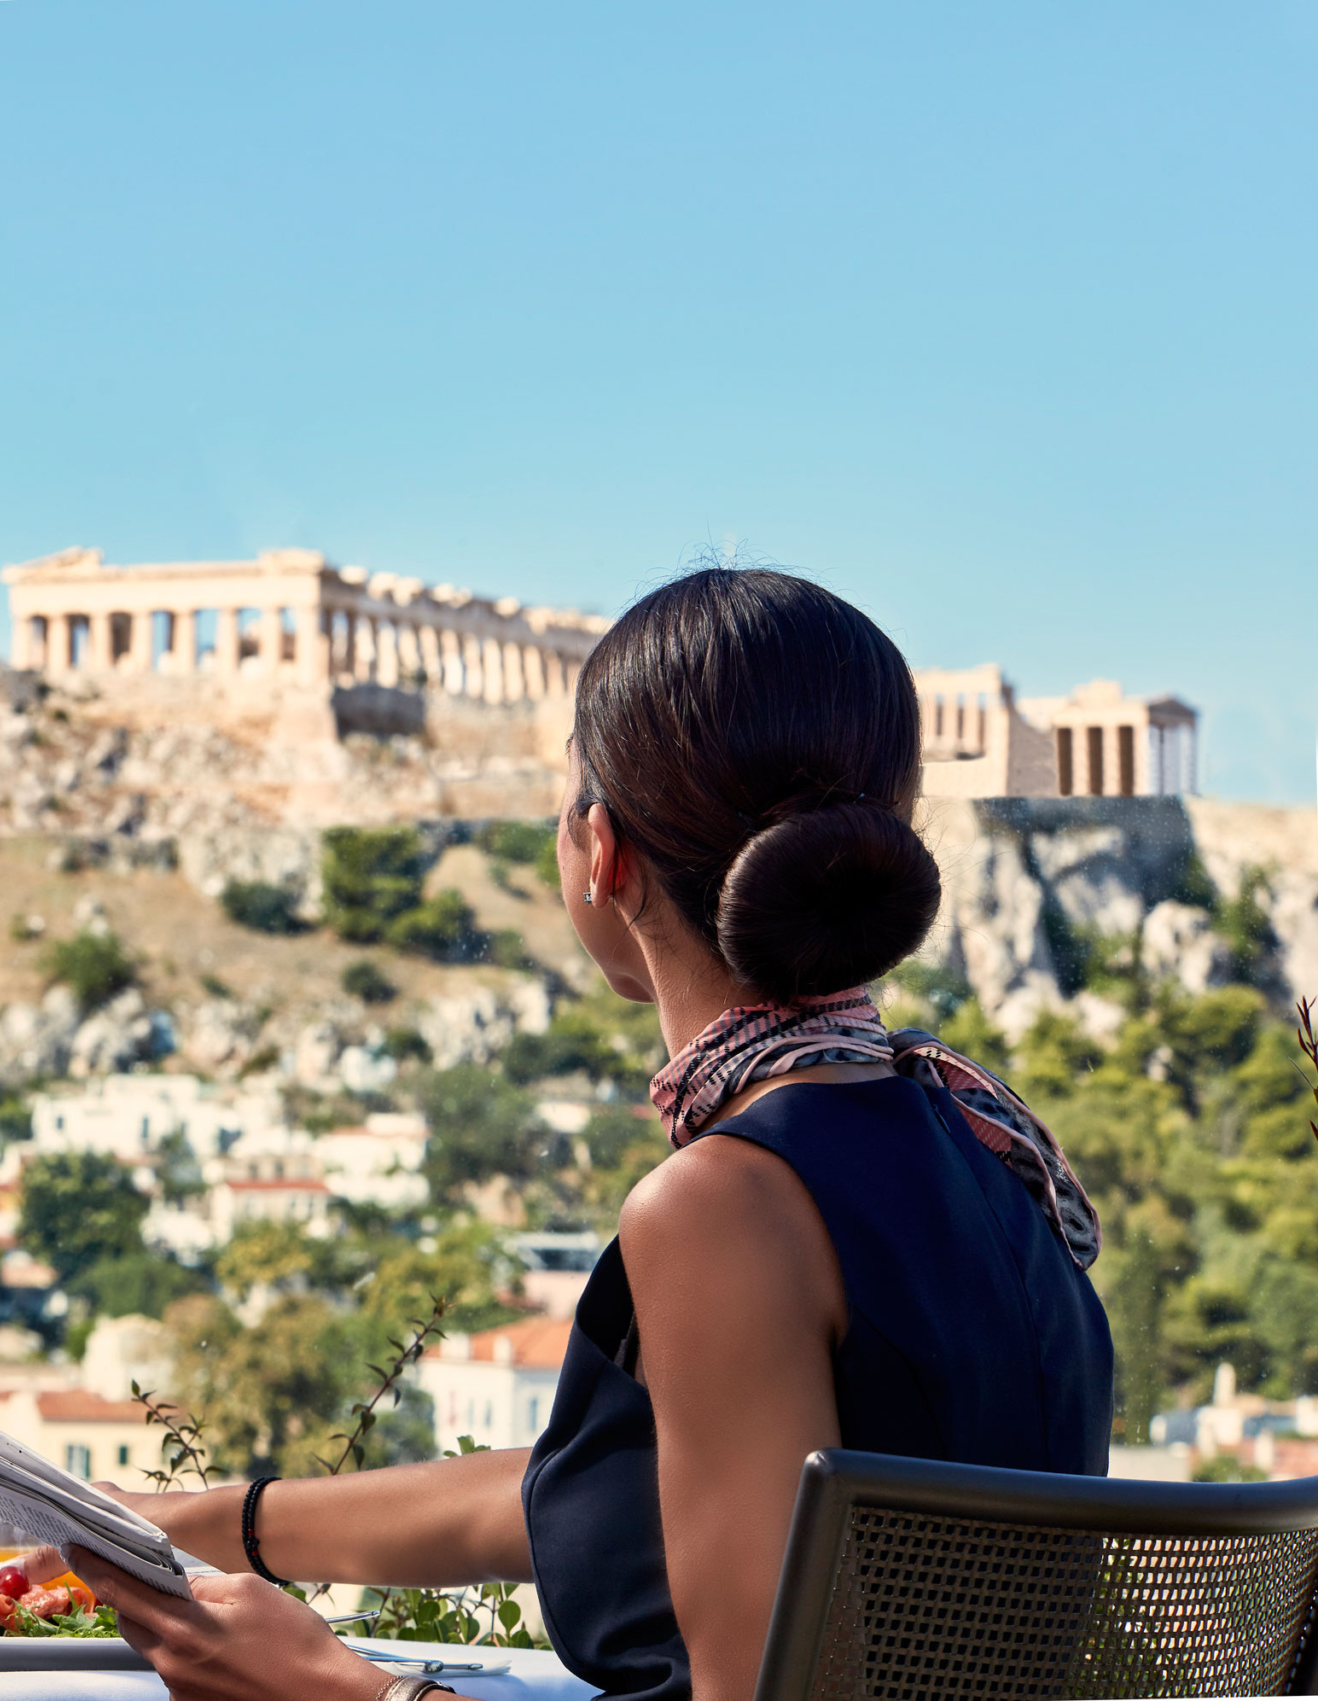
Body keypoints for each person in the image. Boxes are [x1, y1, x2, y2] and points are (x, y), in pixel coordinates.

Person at [62, 567, 1114, 1701]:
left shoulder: (731, 1202)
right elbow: (622, 1493)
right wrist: (198, 1524)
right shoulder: (981, 1137)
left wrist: (339, 1691)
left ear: (600, 853)